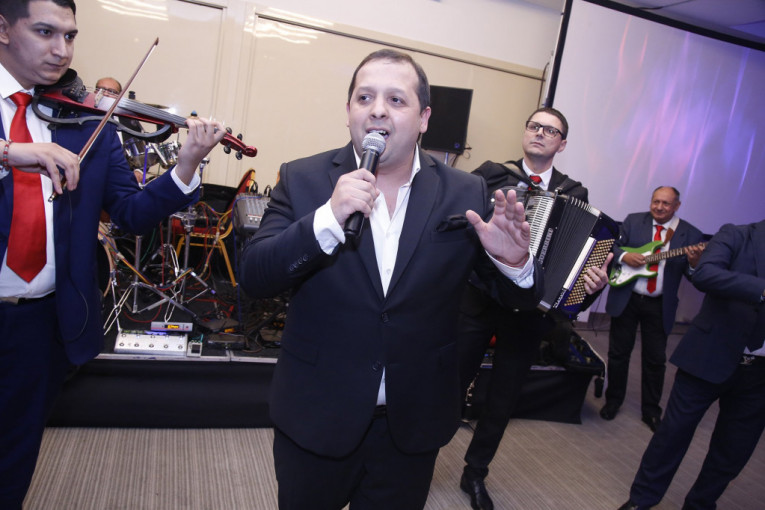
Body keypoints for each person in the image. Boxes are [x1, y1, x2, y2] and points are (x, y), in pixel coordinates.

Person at [237, 48, 544, 510]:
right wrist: (328, 218)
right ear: (348, 112)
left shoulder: (465, 191)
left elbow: (517, 300)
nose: (378, 110)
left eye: (396, 100)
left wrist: (513, 262)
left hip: (412, 423)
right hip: (317, 414)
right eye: (365, 98)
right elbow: (255, 276)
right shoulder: (303, 178)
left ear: (424, 119)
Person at [0, 1, 225, 508]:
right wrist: (11, 152)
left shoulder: (84, 122)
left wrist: (187, 164)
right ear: (4, 29)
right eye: (45, 32)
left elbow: (129, 212)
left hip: (39, 323)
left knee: (12, 459)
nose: (61, 50)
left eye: (70, 36)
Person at [457, 107, 611, 510]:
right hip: (481, 296)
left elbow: (575, 258)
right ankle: (420, 456)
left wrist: (589, 280)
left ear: (562, 144)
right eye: (534, 126)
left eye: (550, 130)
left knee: (503, 398)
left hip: (528, 312)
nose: (540, 133)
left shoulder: (575, 193)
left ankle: (475, 472)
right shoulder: (492, 174)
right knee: (451, 382)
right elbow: (461, 226)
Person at [617, 219, 765, 510]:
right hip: (709, 354)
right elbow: (706, 274)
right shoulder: (737, 234)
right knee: (673, 434)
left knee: (733, 450)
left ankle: (700, 504)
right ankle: (641, 500)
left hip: (760, 376)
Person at [601, 186, 704, 431]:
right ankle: (613, 401)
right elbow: (611, 246)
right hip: (628, 298)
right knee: (618, 354)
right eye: (656, 201)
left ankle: (651, 410)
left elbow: (694, 276)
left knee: (655, 360)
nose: (659, 207)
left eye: (666, 203)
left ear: (677, 206)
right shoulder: (633, 221)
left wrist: (694, 263)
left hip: (659, 304)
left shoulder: (690, 234)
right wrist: (624, 257)